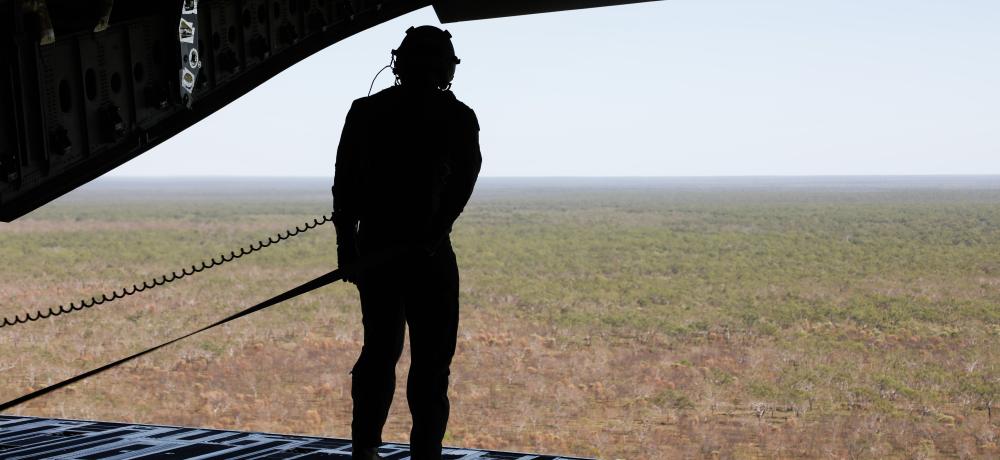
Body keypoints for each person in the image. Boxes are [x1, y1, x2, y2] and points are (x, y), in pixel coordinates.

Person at [331, 25, 482, 460]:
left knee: (379, 352)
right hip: (428, 258)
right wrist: (432, 236)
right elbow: (462, 186)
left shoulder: (366, 111)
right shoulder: (458, 117)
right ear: (446, 69)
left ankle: (365, 449)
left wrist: (348, 250)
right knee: (431, 365)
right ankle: (425, 454)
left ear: (399, 62)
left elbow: (346, 187)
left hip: (377, 253)